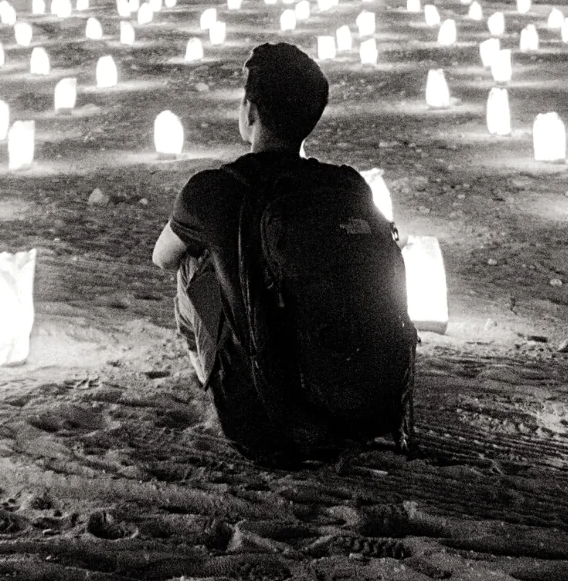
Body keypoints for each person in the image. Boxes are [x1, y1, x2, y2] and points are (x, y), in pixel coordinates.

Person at [153, 39, 413, 459]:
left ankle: (225, 379)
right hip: (363, 412)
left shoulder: (214, 189)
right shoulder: (349, 185)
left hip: (263, 428)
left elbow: (162, 257)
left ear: (250, 112)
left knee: (191, 262)